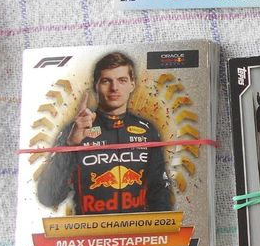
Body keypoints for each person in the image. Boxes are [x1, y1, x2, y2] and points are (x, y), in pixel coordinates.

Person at [37, 52, 173, 215]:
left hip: (137, 229)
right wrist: (70, 146)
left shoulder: (148, 130)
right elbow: (48, 197)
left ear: (132, 84)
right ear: (96, 86)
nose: (114, 88)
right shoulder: (74, 131)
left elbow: (159, 192)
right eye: (106, 81)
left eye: (122, 80)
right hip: (90, 230)